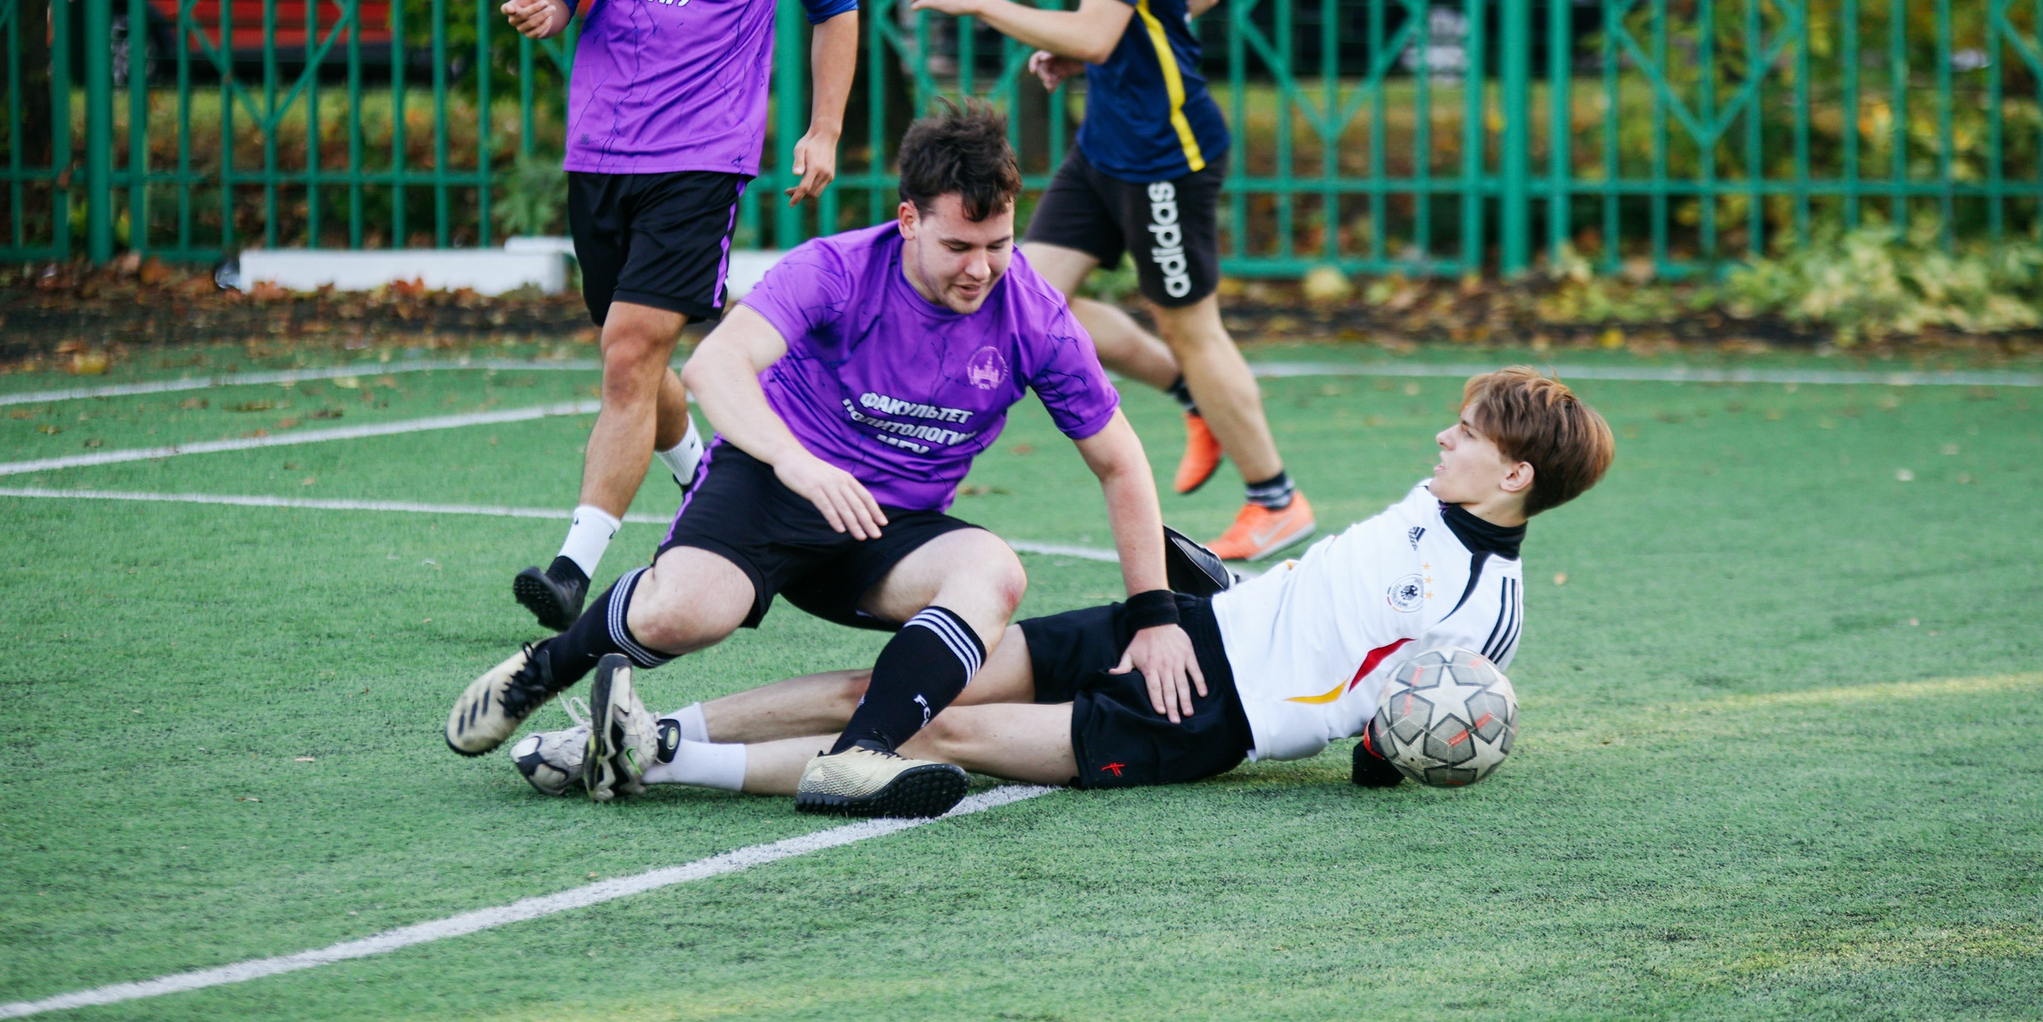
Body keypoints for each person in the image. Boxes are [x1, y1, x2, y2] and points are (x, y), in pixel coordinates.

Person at [446, 103, 1201, 818]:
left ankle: (859, 756)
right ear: (907, 220)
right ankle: (544, 668)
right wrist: (797, 462)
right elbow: (715, 367)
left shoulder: (1034, 312)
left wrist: (1155, 616)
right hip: (768, 483)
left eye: (998, 245)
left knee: (994, 569)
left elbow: (1120, 461)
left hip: (886, 525)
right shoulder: (838, 268)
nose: (981, 268)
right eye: (958, 247)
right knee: (689, 612)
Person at [514, 367, 1613, 808]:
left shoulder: (1486, 611)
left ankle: (657, 760)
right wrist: (1220, 592)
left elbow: (1381, 734)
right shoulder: (1434, 501)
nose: (1442, 436)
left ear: (1514, 477)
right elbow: (1338, 605)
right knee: (899, 679)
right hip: (1184, 627)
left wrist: (1400, 745)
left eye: (1464, 435)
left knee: (941, 737)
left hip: (1205, 714)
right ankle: (643, 723)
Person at [902, 0, 1315, 564]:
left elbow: (1098, 28)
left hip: (1165, 152)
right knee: (1023, 287)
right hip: (1108, 143)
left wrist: (979, 1)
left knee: (1193, 324)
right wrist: (1105, 42)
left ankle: (1276, 497)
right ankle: (1192, 400)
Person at [501, 0, 862, 628]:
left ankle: (573, 567)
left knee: (629, 353)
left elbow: (837, 8)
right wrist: (544, 3)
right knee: (636, 357)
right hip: (599, 153)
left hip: (704, 160)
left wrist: (822, 130)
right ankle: (704, 475)